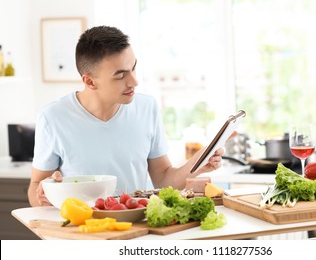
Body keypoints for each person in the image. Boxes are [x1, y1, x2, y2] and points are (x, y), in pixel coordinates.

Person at [28, 26, 226, 207]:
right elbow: (36, 187)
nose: (134, 81)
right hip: (82, 230)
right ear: (90, 81)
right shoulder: (53, 117)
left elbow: (164, 180)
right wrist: (43, 196)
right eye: (120, 75)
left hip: (135, 228)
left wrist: (198, 164)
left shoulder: (147, 108)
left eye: (133, 68)